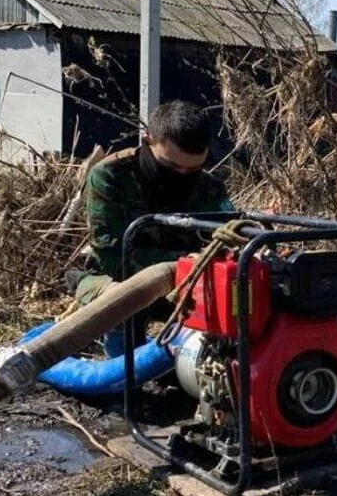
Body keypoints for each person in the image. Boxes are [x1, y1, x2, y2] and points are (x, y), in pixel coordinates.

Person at [72, 100, 233, 357]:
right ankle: (122, 374)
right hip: (117, 280)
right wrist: (189, 263)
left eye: (192, 169)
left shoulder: (209, 187)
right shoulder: (111, 176)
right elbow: (112, 260)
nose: (181, 175)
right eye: (170, 166)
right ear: (147, 142)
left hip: (186, 284)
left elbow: (230, 234)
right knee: (121, 301)